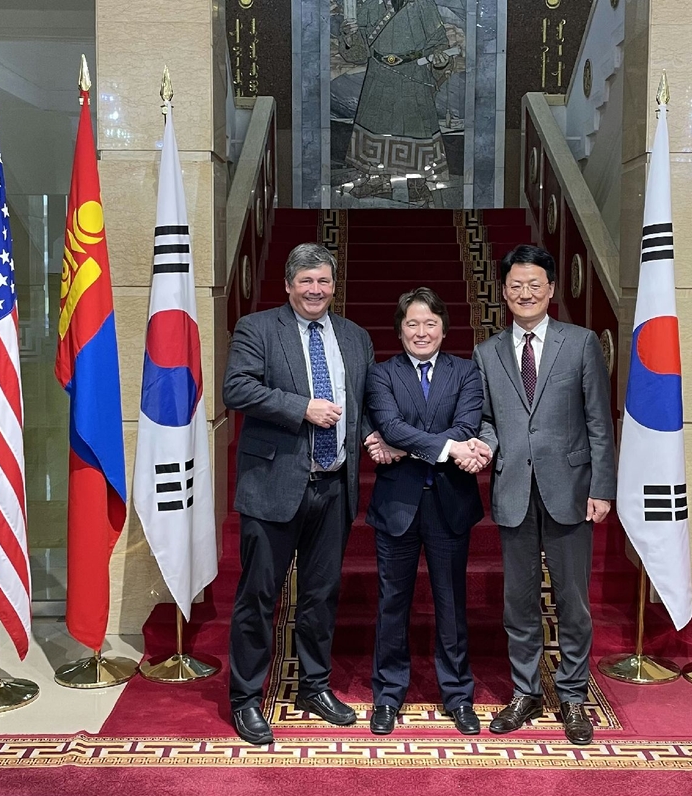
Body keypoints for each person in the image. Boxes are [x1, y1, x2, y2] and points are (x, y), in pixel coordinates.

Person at [222, 242, 382, 745]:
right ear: (289, 285)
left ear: (334, 285)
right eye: (306, 281)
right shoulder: (257, 329)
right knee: (258, 596)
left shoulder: (355, 337)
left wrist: (375, 436)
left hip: (333, 487)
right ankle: (246, 699)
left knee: (320, 596)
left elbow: (364, 404)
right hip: (273, 486)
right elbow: (236, 388)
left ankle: (314, 687)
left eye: (324, 281)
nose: (316, 289)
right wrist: (302, 407)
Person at [470, 244, 616, 745]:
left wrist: (602, 487)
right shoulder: (487, 352)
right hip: (513, 488)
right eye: (516, 285)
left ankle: (573, 694)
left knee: (573, 601)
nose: (525, 293)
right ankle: (525, 692)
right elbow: (487, 419)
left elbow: (599, 421)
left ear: (551, 289)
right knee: (519, 601)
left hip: (570, 490)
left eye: (535, 285)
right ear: (504, 291)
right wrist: (484, 448)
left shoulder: (580, 343)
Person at [362, 287, 489, 736]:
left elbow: (468, 425)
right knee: (392, 602)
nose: (421, 332)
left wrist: (404, 445)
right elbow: (389, 425)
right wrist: (446, 448)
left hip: (449, 503)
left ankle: (458, 695)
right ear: (400, 331)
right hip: (397, 505)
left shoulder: (466, 372)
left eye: (430, 323)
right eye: (412, 324)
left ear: (443, 329)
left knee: (451, 603)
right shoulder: (381, 374)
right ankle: (387, 695)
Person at [337, 0, 453, 203]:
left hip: (413, 73)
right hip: (379, 73)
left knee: (416, 128)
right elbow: (359, 54)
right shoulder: (371, 5)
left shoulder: (422, 4)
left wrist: (440, 60)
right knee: (375, 126)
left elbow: (439, 43)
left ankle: (417, 182)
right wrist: (349, 36)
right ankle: (377, 180)